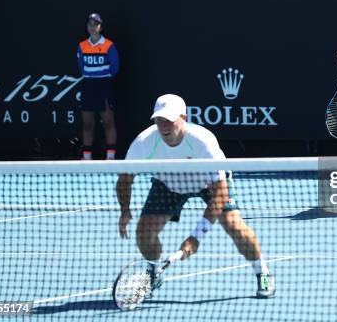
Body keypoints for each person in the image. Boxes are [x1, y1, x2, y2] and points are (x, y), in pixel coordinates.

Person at [115, 94, 276, 298]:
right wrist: (125, 211)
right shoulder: (144, 142)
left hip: (207, 184)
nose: (163, 126)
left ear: (183, 117)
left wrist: (195, 237)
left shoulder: (202, 142)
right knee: (144, 234)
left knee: (234, 225)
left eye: (169, 120)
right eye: (159, 120)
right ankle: (154, 271)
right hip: (168, 184)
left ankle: (262, 271)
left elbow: (220, 192)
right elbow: (124, 180)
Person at [76, 13, 119, 160]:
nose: (92, 27)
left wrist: (103, 78)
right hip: (88, 86)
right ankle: (87, 157)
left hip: (104, 86)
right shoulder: (82, 46)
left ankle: (110, 157)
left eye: (95, 24)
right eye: (90, 24)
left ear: (101, 27)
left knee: (108, 122)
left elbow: (114, 68)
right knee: (87, 124)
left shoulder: (109, 45)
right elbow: (81, 67)